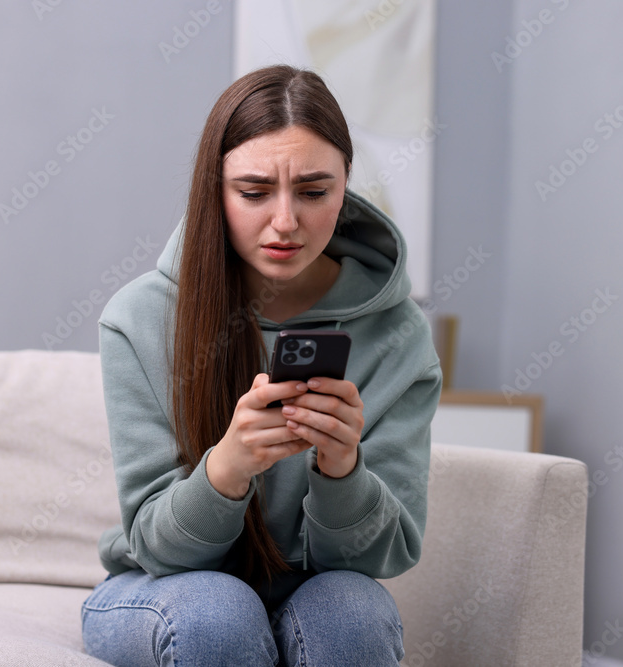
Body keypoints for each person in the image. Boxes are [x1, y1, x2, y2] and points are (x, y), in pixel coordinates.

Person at [81, 64, 442, 667]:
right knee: (217, 616)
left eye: (313, 191)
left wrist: (341, 471)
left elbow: (382, 559)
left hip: (310, 590)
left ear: (347, 184)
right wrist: (227, 467)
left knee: (353, 615)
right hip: (161, 588)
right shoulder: (140, 318)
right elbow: (158, 548)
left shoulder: (398, 335)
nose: (284, 222)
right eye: (253, 193)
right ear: (213, 190)